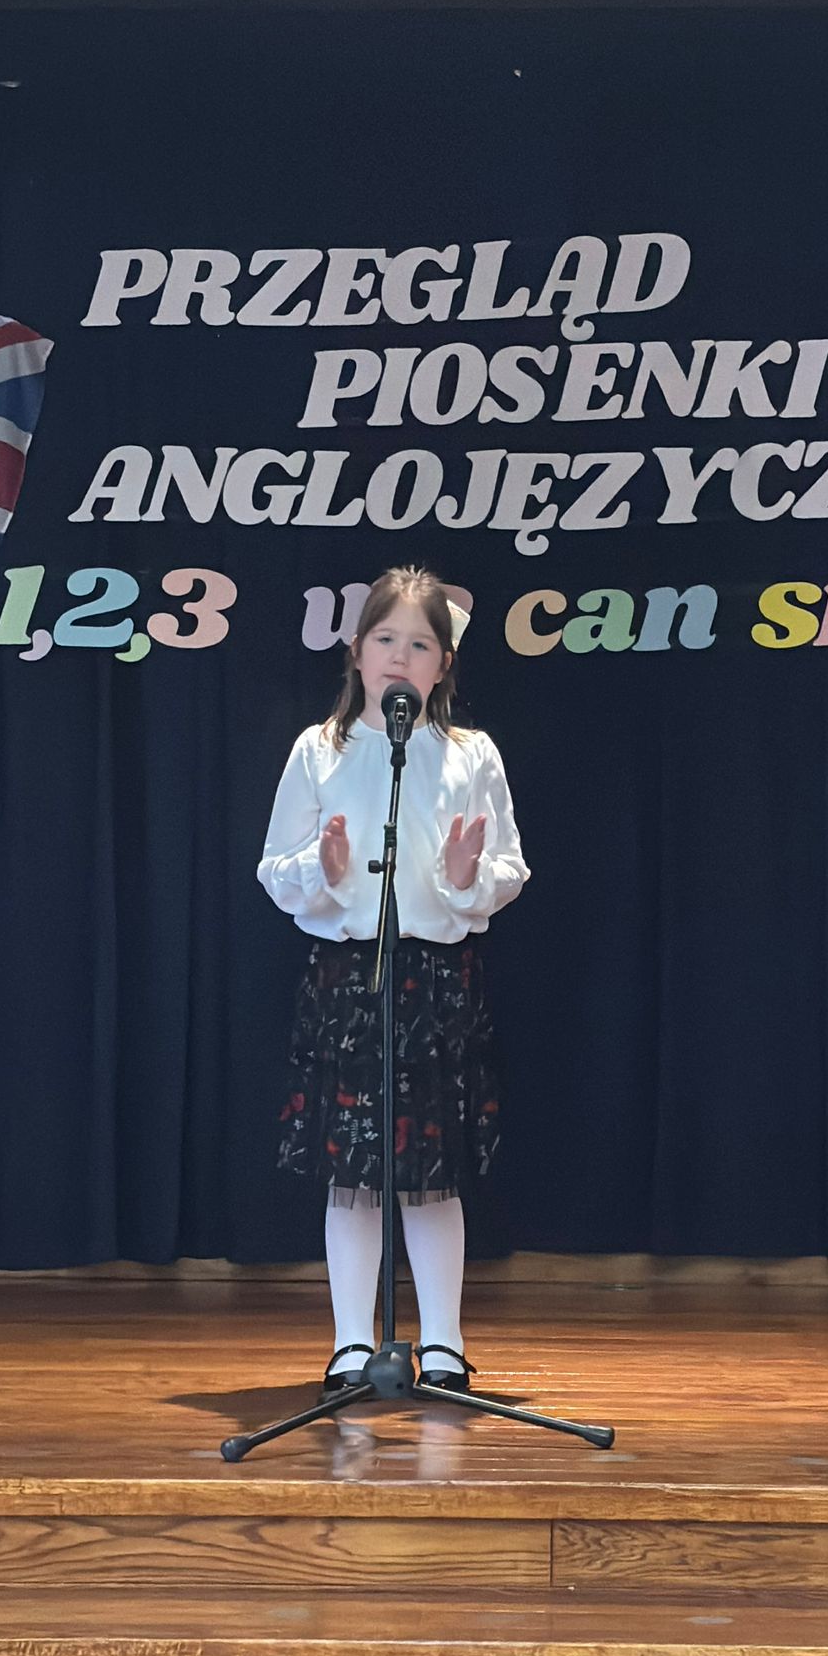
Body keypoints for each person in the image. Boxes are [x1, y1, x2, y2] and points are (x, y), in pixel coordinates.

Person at [257, 565, 529, 1394]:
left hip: (434, 980)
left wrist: (462, 875)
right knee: (355, 1177)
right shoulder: (320, 749)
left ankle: (442, 1342)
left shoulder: (470, 754)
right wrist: (327, 865)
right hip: (349, 977)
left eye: (419, 645)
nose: (400, 657)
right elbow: (274, 869)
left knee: (430, 1175)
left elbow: (509, 867)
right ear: (356, 651)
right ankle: (351, 1342)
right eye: (386, 639)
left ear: (442, 665)